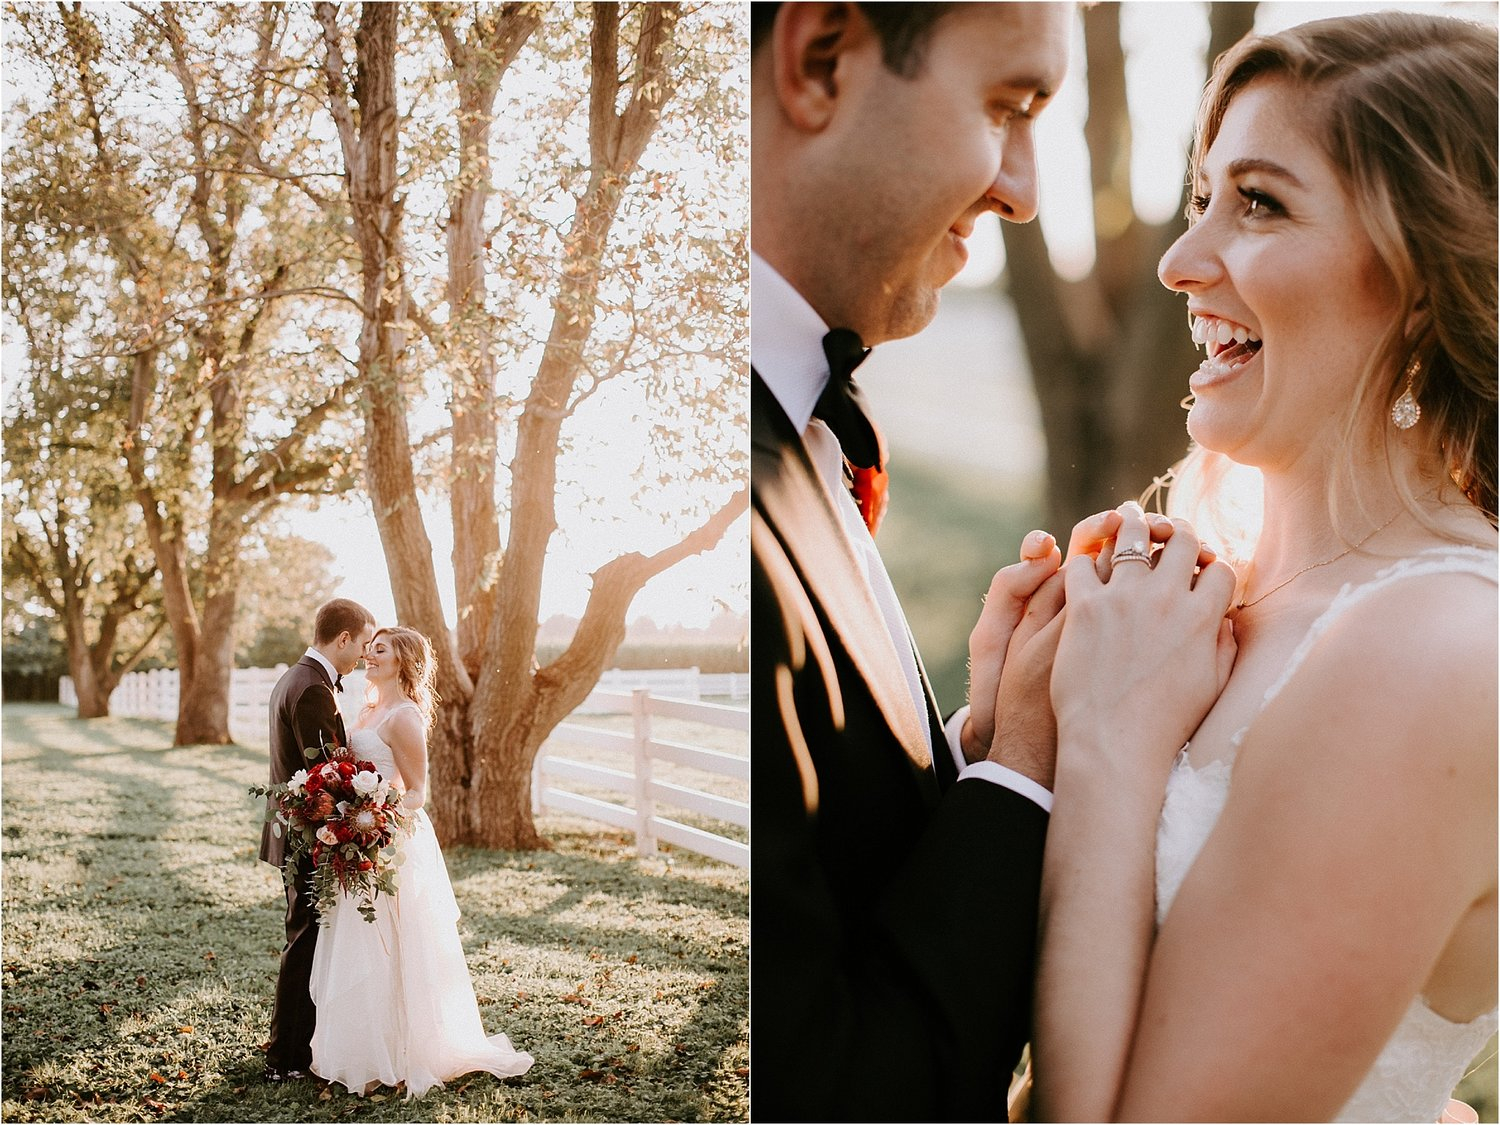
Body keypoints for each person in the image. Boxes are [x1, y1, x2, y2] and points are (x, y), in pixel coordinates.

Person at [750, 5, 1232, 1120]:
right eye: (1007, 109)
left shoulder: (802, 424)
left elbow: (833, 872)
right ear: (821, 62)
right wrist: (1035, 753)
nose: (1022, 189)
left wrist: (980, 746)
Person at [1032, 13, 1498, 1122]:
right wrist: (1009, 731)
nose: (1182, 261)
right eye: (1204, 197)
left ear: (1423, 283)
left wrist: (1106, 743)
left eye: (1261, 203)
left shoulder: (1434, 651)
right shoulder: (1194, 600)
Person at [308, 625, 533, 1097]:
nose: (369, 654)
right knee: (361, 943)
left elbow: (417, 792)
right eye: (370, 648)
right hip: (358, 835)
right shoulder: (367, 709)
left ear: (403, 662)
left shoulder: (404, 716)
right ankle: (367, 1050)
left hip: (390, 841)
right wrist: (340, 806)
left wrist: (371, 818)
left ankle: (410, 1050)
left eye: (380, 649)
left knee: (397, 941)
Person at [262, 597, 378, 1082]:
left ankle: (297, 1048)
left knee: (305, 939)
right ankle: (286, 1059)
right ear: (344, 638)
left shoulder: (296, 677)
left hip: (293, 832)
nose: (365, 657)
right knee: (305, 942)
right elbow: (323, 775)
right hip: (309, 835)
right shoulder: (312, 689)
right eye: (363, 645)